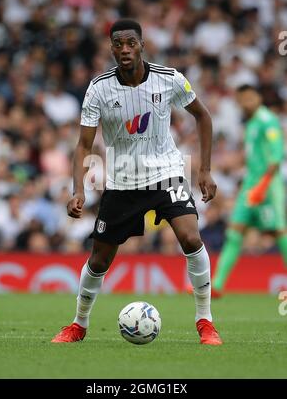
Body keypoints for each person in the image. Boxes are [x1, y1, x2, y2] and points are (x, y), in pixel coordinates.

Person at [51, 19, 222, 345]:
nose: (125, 49)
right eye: (118, 44)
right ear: (111, 48)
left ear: (142, 45)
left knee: (190, 237)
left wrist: (205, 170)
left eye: (131, 43)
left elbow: (203, 116)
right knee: (99, 259)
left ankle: (206, 322)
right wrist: (78, 189)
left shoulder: (169, 79)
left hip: (165, 174)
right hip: (123, 182)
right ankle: (78, 324)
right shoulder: (99, 88)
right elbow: (83, 145)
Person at [212, 85, 287, 296]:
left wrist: (262, 187)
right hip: (249, 186)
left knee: (278, 231)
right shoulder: (252, 123)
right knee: (235, 231)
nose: (246, 103)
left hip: (268, 186)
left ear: (258, 98)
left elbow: (276, 157)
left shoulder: (268, 121)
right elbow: (253, 156)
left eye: (250, 98)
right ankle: (216, 286)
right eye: (242, 100)